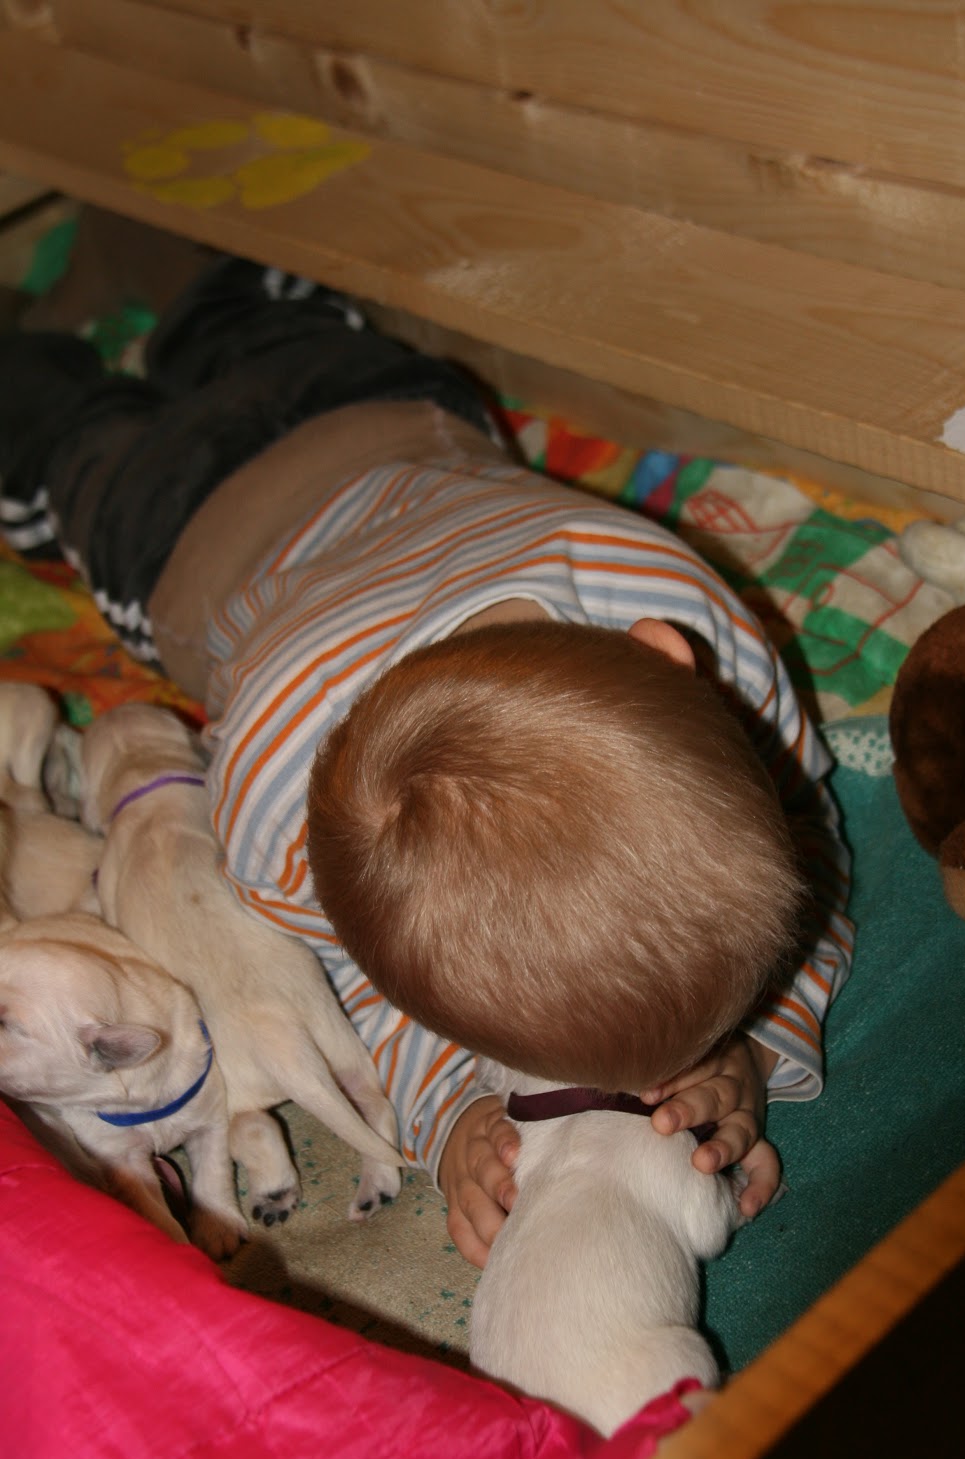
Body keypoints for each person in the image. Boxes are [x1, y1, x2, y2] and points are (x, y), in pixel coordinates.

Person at [0, 257, 853, 1267]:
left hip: (377, 411)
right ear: (672, 660)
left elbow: (797, 843)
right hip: (183, 534)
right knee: (68, 445)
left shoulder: (672, 599)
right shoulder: (272, 807)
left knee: (243, 337)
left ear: (666, 660)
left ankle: (203, 289)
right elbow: (356, 986)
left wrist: (750, 1044)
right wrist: (448, 1097)